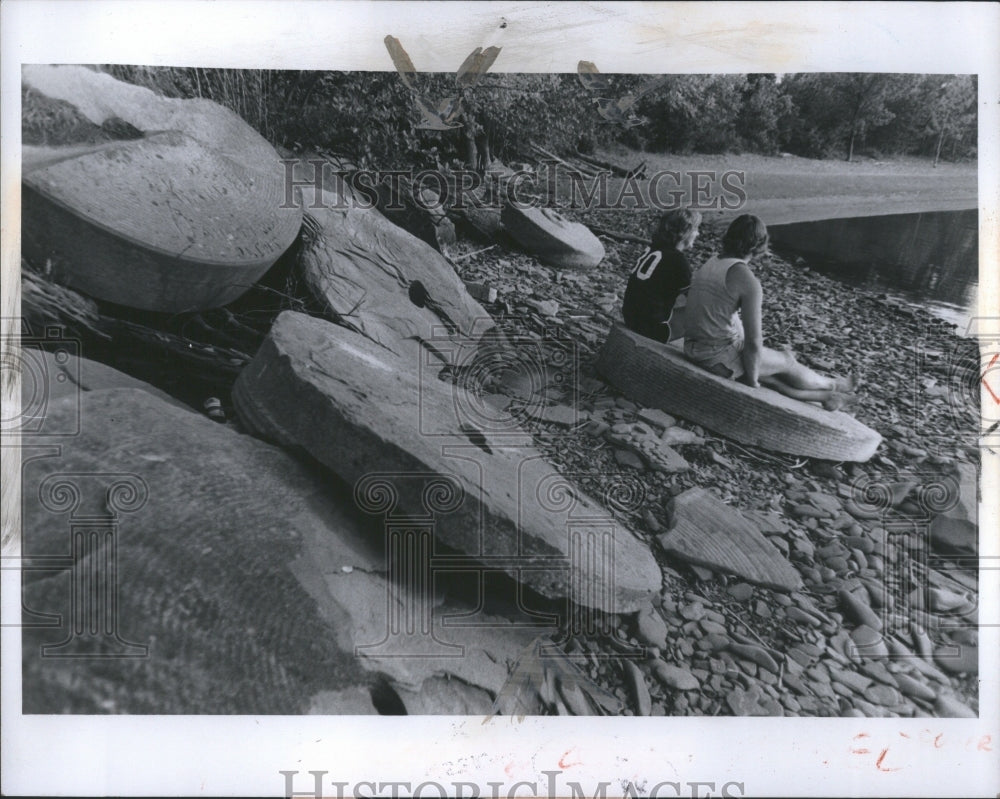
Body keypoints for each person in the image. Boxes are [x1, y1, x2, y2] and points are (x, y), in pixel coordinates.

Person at [684, 214, 857, 410]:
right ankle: (834, 384)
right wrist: (751, 379)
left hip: (693, 348)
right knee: (787, 361)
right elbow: (754, 342)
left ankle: (828, 397)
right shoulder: (748, 281)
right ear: (759, 246)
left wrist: (754, 372)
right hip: (717, 357)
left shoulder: (712, 263)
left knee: (772, 378)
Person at [621, 209, 702, 343]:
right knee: (702, 309)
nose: (698, 234)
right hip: (651, 329)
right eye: (696, 229)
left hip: (630, 317)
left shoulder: (653, 249)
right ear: (685, 233)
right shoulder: (678, 261)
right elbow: (694, 301)